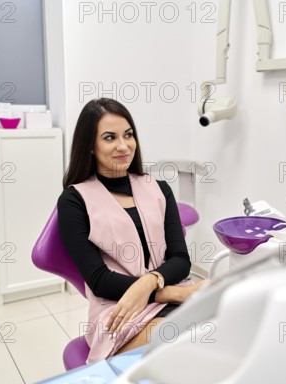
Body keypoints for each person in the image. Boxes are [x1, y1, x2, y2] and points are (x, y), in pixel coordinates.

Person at [57, 98, 208, 363]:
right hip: (118, 309)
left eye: (128, 135)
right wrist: (169, 292)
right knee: (181, 346)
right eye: (109, 137)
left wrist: (152, 282)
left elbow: (181, 260)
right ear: (90, 146)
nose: (123, 146)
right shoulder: (74, 200)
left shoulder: (159, 188)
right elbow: (99, 281)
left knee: (225, 326)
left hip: (172, 290)